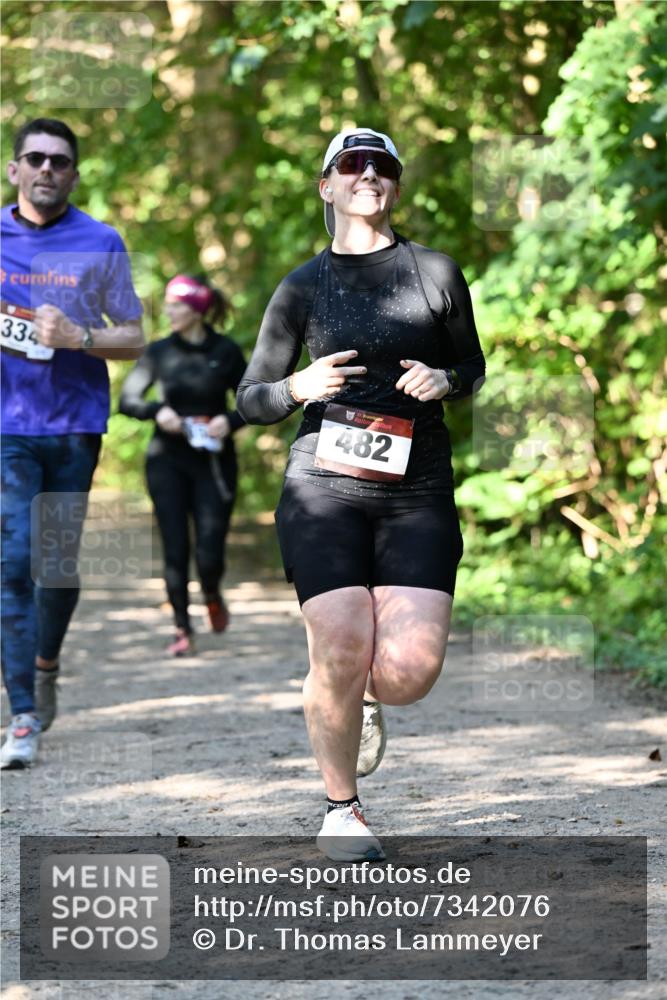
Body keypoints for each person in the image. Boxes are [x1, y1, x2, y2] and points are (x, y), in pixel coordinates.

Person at [236, 128, 485, 861]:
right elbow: (250, 398)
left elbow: (470, 364)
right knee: (342, 646)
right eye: (352, 164)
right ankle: (341, 810)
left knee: (405, 674)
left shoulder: (434, 272)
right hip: (323, 486)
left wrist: (447, 381)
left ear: (394, 186)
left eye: (381, 166)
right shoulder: (301, 287)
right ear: (327, 185)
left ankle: (353, 695)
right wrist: (294, 387)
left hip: (417, 489)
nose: (367, 174)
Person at [1, 117, 144, 769]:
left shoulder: (100, 240)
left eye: (59, 161)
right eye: (34, 158)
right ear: (14, 170)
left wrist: (79, 338)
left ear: (74, 174)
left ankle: (47, 661)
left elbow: (136, 336)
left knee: (55, 566)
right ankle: (23, 713)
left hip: (75, 425)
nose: (47, 169)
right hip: (7, 428)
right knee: (12, 560)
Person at [119, 274, 246, 656]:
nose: (169, 311)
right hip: (167, 461)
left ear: (196, 310)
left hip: (214, 463)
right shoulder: (158, 352)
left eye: (176, 305)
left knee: (209, 551)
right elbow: (126, 401)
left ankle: (211, 591)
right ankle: (181, 628)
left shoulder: (225, 351)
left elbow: (253, 401)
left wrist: (230, 420)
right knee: (175, 547)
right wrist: (159, 411)